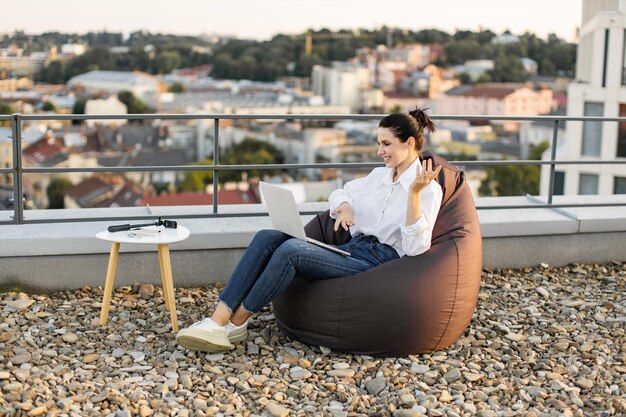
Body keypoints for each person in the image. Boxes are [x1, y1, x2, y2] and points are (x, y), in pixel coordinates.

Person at [176, 108, 444, 352]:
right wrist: (346, 206)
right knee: (267, 237)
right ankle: (218, 319)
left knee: (292, 251)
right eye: (379, 143)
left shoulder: (429, 190)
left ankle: (236, 322)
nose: (379, 151)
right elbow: (341, 191)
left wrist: (413, 196)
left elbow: (415, 248)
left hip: (379, 261)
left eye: (386, 144)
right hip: (353, 249)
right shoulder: (380, 177)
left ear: (409, 143)